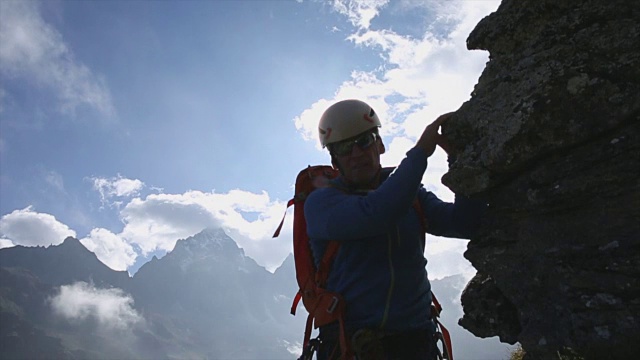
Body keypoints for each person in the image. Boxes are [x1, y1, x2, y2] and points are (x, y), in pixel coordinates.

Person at [304, 99, 486, 360]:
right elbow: (377, 214)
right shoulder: (321, 204)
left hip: (417, 340)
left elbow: (464, 223)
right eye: (344, 147)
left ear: (379, 144)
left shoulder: (409, 194)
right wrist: (420, 152)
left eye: (364, 141)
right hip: (353, 346)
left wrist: (458, 160)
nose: (356, 153)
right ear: (335, 160)